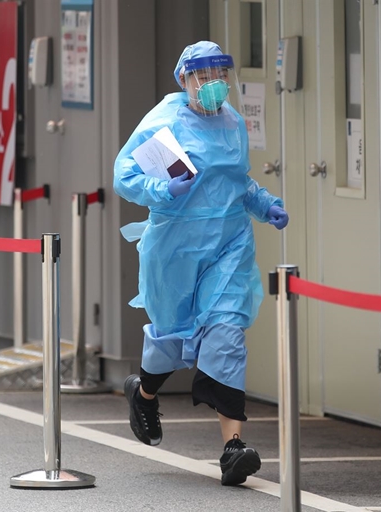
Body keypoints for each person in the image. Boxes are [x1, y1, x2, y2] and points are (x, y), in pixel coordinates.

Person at [113, 41, 289, 486]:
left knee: (226, 332)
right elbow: (125, 174)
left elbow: (236, 181)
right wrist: (160, 191)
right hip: (175, 248)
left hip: (228, 244)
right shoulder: (166, 120)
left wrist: (264, 204)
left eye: (218, 75)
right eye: (201, 76)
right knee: (172, 336)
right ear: (184, 80)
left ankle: (233, 448)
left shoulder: (232, 121)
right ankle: (145, 394)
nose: (211, 84)